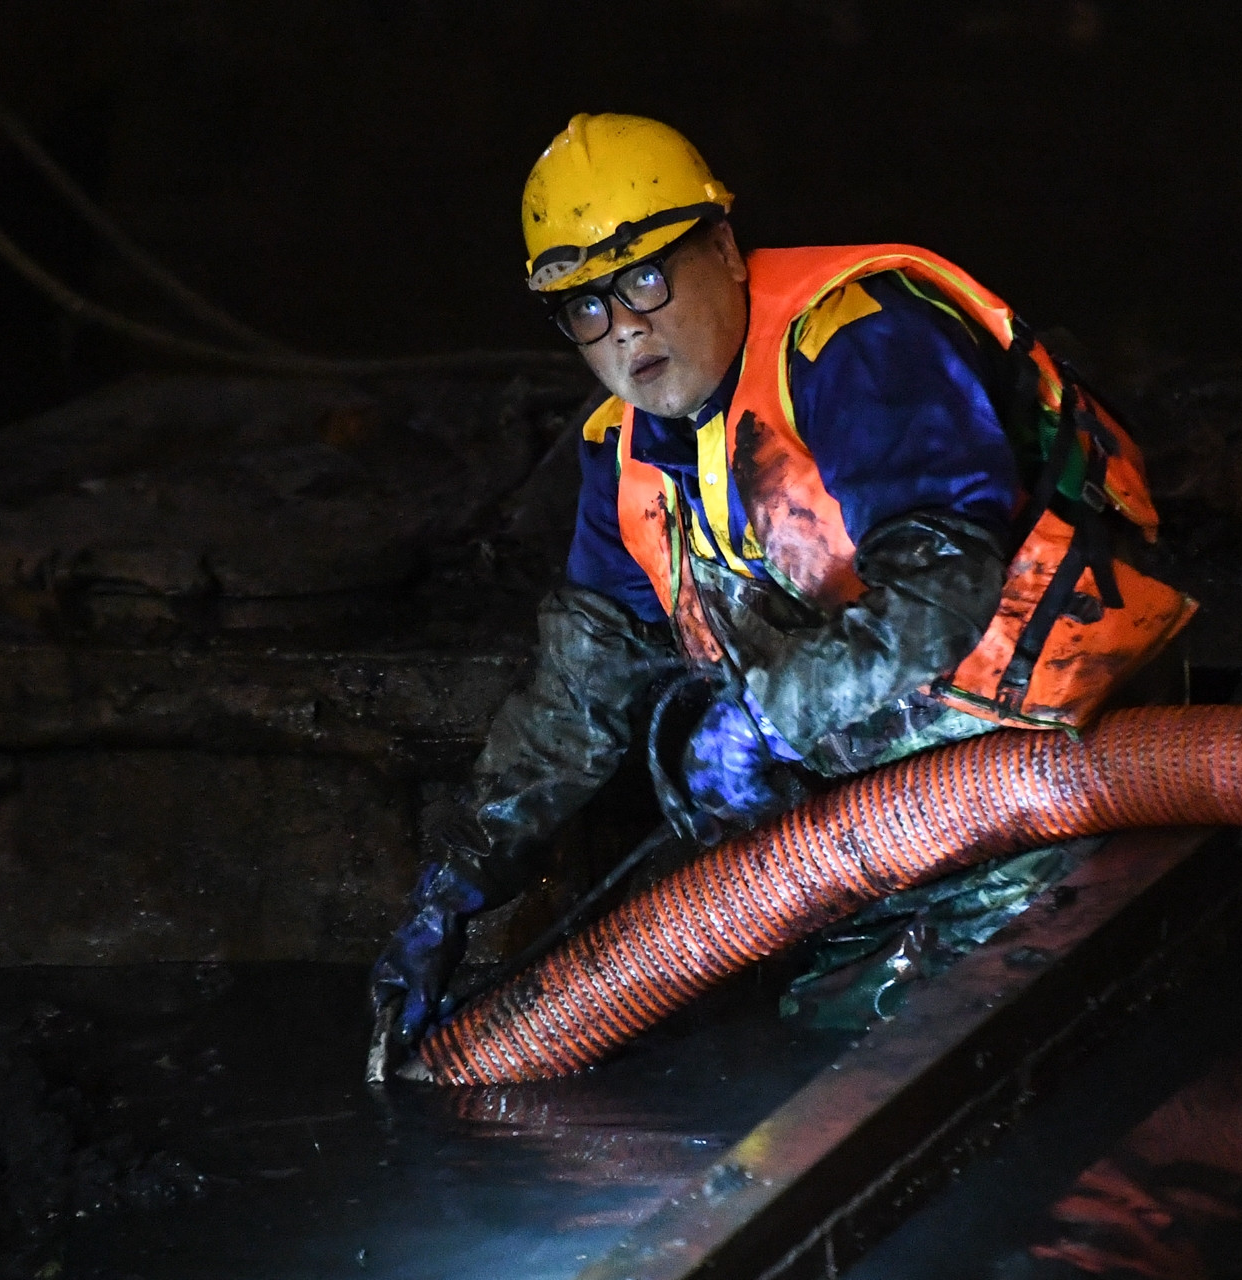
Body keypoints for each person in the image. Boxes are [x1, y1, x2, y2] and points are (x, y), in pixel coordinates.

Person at [366, 113, 1194, 1081]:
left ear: (722, 245)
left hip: (1054, 770)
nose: (625, 325)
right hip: (863, 816)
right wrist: (454, 885)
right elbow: (573, 706)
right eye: (585, 305)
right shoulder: (623, 457)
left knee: (996, 1065)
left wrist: (767, 719)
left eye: (644, 276)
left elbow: (946, 582)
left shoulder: (858, 343)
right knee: (823, 1037)